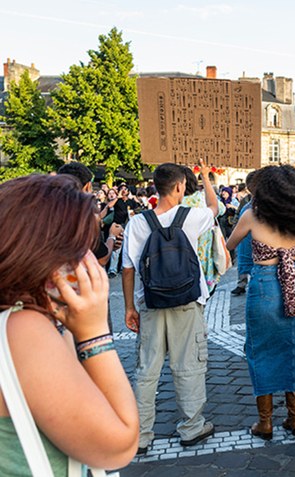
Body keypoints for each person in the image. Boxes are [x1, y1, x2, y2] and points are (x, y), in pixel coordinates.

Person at [0, 174, 139, 474]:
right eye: (79, 248)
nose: (88, 259)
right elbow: (119, 446)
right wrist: (93, 332)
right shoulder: (22, 329)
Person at [121, 160, 219, 454]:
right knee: (188, 363)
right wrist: (204, 176)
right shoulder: (192, 216)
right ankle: (191, 427)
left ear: (155, 187)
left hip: (150, 302)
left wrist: (129, 307)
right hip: (187, 301)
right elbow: (216, 209)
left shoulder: (137, 222)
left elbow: (127, 269)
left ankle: (141, 435)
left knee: (147, 369)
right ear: (179, 187)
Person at [226, 165, 295, 440]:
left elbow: (229, 245)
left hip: (264, 284)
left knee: (261, 350)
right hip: (294, 282)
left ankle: (265, 422)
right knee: (293, 347)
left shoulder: (251, 216)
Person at [182, 167, 227, 294]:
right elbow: (220, 209)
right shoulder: (203, 198)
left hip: (181, 262)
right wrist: (205, 177)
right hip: (205, 260)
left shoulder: (175, 203)